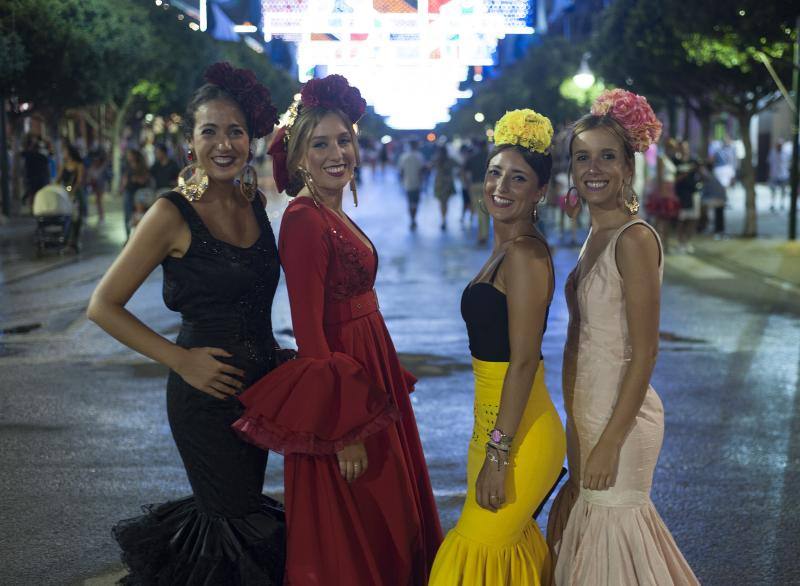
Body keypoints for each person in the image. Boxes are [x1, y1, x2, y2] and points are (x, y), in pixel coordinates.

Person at [233, 74, 443, 586]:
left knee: (390, 510)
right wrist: (343, 430)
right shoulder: (304, 220)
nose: (336, 153)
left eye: (344, 140)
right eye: (320, 143)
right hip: (344, 388)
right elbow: (309, 334)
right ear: (300, 156)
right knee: (366, 514)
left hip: (369, 367)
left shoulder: (331, 212)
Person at [86, 62, 286, 585]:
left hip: (260, 391)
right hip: (205, 392)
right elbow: (103, 304)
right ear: (190, 144)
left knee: (240, 518)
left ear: (250, 139)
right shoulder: (170, 213)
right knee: (231, 525)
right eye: (210, 131)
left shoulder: (254, 202)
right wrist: (180, 359)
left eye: (235, 131)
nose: (224, 144)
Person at [547, 89, 699, 585]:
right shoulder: (597, 234)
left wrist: (610, 440)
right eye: (582, 157)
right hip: (589, 411)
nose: (594, 168)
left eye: (607, 156)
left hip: (622, 421)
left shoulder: (634, 239)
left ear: (629, 168)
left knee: (617, 545)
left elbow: (645, 350)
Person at [429, 109, 566, 586]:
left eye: (518, 178)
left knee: (470, 559)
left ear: (540, 191)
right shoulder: (505, 249)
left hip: (519, 436)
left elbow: (524, 361)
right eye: (494, 173)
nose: (500, 186)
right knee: (505, 560)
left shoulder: (526, 255)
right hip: (491, 427)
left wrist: (498, 455)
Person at [56, 144, 86, 252]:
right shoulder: (64, 165)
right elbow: (58, 179)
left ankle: (74, 241)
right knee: (67, 218)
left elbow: (79, 181)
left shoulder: (78, 165)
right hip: (66, 192)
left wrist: (70, 190)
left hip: (75, 193)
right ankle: (68, 241)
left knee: (76, 218)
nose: (63, 154)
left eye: (65, 151)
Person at [674, 140, 701, 254]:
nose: (684, 149)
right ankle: (680, 243)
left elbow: (702, 175)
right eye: (682, 147)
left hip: (693, 193)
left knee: (693, 219)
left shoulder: (694, 161)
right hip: (681, 195)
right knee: (681, 220)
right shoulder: (675, 161)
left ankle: (688, 242)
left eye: (686, 147)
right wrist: (686, 172)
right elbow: (674, 179)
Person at [121, 149, 151, 239]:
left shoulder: (141, 166)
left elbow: (144, 179)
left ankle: (138, 235)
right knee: (127, 213)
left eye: (130, 155)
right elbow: (125, 178)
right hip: (129, 191)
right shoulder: (127, 166)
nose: (128, 157)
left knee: (139, 213)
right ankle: (128, 236)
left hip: (139, 192)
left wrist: (136, 179)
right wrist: (123, 185)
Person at [466, 139, 490, 244]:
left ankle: (482, 235)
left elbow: (463, 170)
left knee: (480, 212)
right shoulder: (491, 158)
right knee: (487, 211)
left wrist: (468, 184)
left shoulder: (472, 157)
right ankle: (484, 234)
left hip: (475, 185)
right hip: (488, 186)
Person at [398, 139, 426, 229]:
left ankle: (412, 219)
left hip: (407, 183)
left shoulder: (403, 156)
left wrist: (402, 181)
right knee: (415, 203)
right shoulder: (419, 156)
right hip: (417, 183)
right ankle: (414, 218)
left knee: (410, 202)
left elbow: (401, 171)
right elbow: (422, 170)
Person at [21, 134, 50, 208]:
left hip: (31, 179)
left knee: (32, 194)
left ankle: (33, 208)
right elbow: (46, 169)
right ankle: (38, 207)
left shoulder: (27, 155)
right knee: (38, 195)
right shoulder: (42, 157)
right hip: (41, 179)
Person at [433, 145, 457, 230]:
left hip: (440, 184)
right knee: (445, 202)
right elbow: (459, 165)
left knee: (442, 202)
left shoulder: (436, 160)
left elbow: (428, 167)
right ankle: (444, 218)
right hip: (448, 183)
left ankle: (443, 219)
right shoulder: (450, 160)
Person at [86, 149, 109, 221]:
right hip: (95, 186)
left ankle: (101, 216)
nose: (96, 162)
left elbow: (105, 163)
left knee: (99, 201)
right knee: (98, 202)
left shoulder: (101, 168)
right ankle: (101, 216)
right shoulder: (92, 168)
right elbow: (89, 177)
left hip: (100, 186)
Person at [769, 140, 790, 212]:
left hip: (783, 174)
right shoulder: (772, 152)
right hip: (774, 174)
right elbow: (769, 164)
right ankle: (772, 204)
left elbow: (788, 163)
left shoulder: (786, 153)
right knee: (773, 191)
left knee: (783, 190)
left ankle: (782, 204)